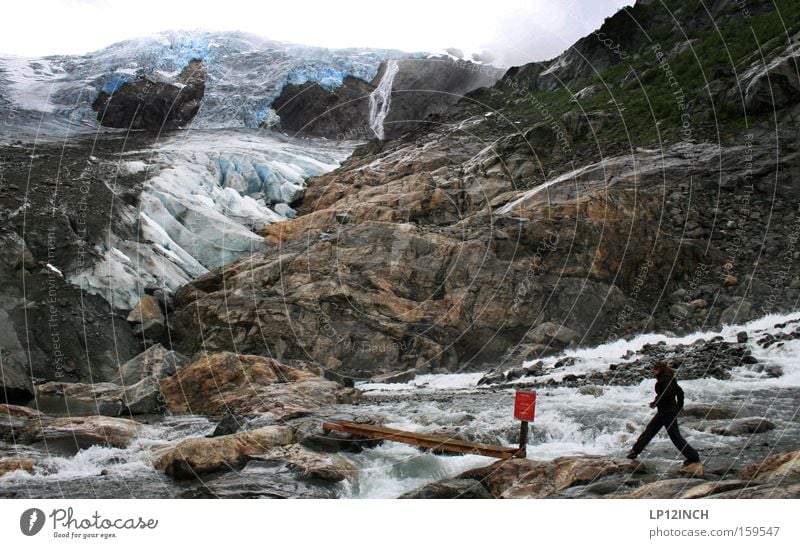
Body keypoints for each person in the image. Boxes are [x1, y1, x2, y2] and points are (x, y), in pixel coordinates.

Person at [626, 360, 700, 465]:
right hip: (665, 411)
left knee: (674, 435)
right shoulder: (670, 379)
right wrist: (679, 406)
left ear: (659, 370)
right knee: (650, 430)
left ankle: (693, 456)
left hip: (667, 412)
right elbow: (680, 393)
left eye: (654, 370)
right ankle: (635, 451)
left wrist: (655, 403)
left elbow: (664, 395)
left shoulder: (664, 380)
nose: (652, 372)